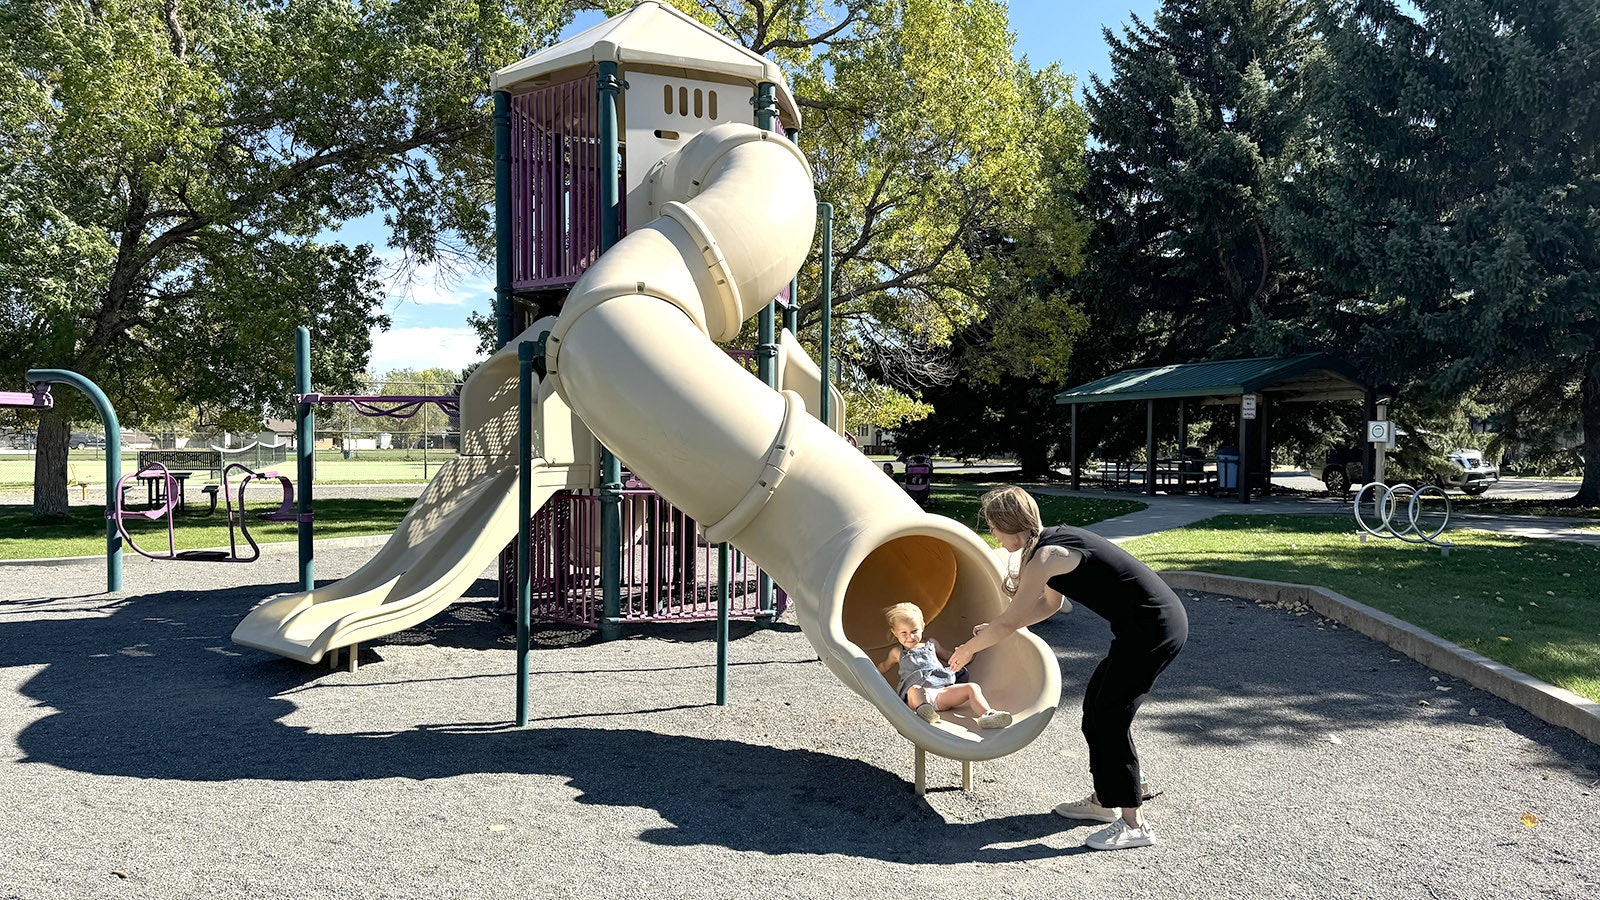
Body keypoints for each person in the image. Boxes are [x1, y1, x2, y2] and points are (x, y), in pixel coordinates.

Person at [946, 486, 1188, 851]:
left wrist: (967, 649)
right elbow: (1049, 606)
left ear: (1010, 525)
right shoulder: (1046, 547)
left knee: (1108, 717)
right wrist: (998, 626)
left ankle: (1134, 824)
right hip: (1143, 628)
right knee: (1096, 710)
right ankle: (1107, 801)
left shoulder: (1048, 555)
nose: (993, 535)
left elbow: (1010, 623)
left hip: (1154, 629)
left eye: (994, 527)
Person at [877, 602, 1012, 729]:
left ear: (922, 626)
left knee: (972, 687)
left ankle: (987, 715)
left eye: (914, 631)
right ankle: (924, 711)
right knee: (915, 689)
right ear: (895, 633)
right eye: (904, 633)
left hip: (940, 693)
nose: (910, 637)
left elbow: (949, 657)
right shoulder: (897, 653)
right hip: (915, 698)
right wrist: (867, 676)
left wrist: (968, 653)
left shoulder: (931, 644)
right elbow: (883, 667)